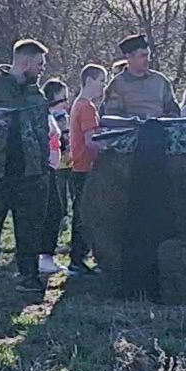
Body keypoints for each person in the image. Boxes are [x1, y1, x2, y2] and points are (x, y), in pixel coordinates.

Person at [0, 39, 53, 294]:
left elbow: (42, 132)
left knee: (29, 229)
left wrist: (44, 167)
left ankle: (29, 277)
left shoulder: (36, 94)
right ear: (25, 62)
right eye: (39, 64)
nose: (41, 70)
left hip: (31, 173)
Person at [66, 64, 106, 274]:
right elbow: (91, 140)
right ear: (90, 80)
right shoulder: (87, 107)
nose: (103, 86)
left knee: (80, 212)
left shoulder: (77, 105)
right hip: (86, 167)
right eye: (101, 81)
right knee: (85, 215)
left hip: (78, 166)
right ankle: (77, 258)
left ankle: (78, 257)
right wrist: (110, 149)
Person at [38, 78, 72, 276]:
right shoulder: (45, 116)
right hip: (47, 169)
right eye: (61, 100)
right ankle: (43, 256)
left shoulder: (59, 117)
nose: (65, 104)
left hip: (56, 167)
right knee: (52, 210)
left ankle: (46, 254)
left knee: (57, 210)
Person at [101, 34, 178, 119]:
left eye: (147, 55)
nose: (147, 60)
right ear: (129, 57)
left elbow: (173, 110)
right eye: (142, 56)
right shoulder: (117, 84)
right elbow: (112, 115)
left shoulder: (160, 81)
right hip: (132, 130)